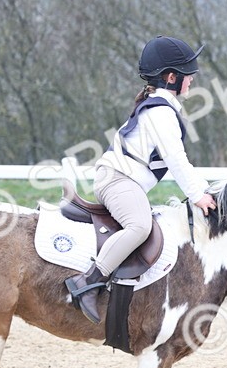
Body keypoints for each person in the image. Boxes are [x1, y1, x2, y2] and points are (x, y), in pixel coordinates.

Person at [65, 35, 218, 323]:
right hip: (118, 180)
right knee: (139, 226)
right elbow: (176, 159)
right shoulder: (161, 112)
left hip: (122, 181)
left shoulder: (160, 107)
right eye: (188, 74)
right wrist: (198, 195)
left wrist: (203, 189)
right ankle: (87, 281)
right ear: (171, 77)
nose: (193, 79)